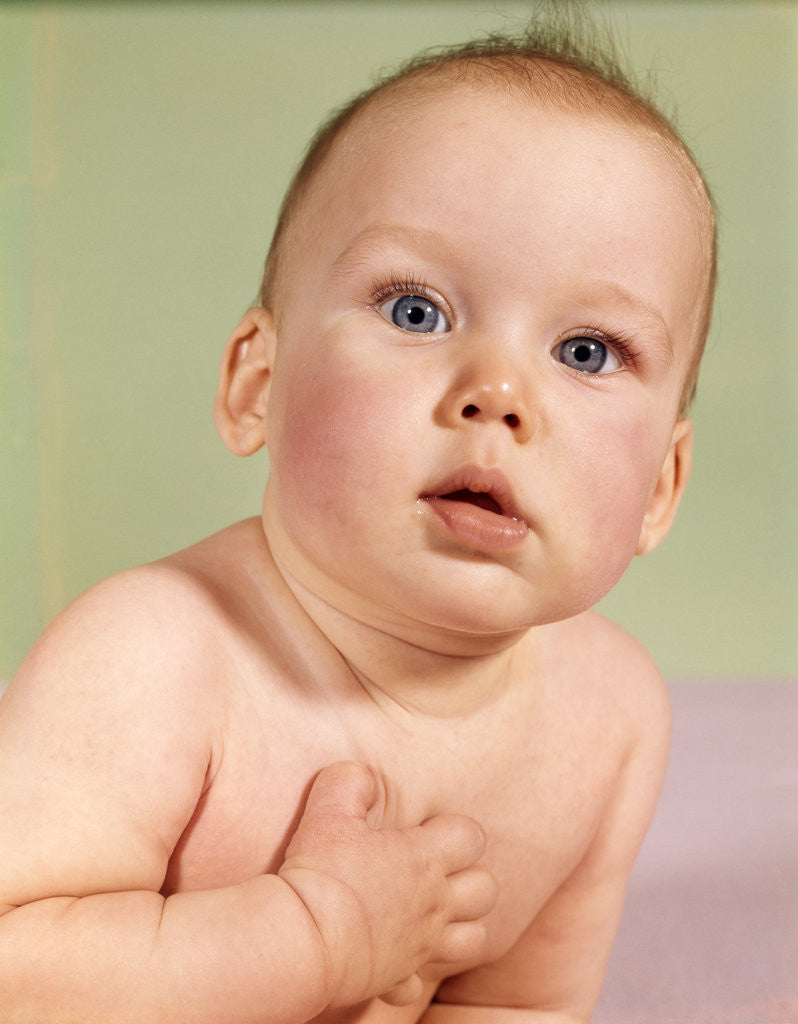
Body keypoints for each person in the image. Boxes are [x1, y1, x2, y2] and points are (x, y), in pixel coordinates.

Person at [0, 14, 716, 1024]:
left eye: (587, 352)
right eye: (417, 311)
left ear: (660, 489)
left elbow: (519, 1006)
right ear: (259, 385)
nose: (500, 393)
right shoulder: (152, 659)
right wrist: (316, 934)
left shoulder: (610, 720)